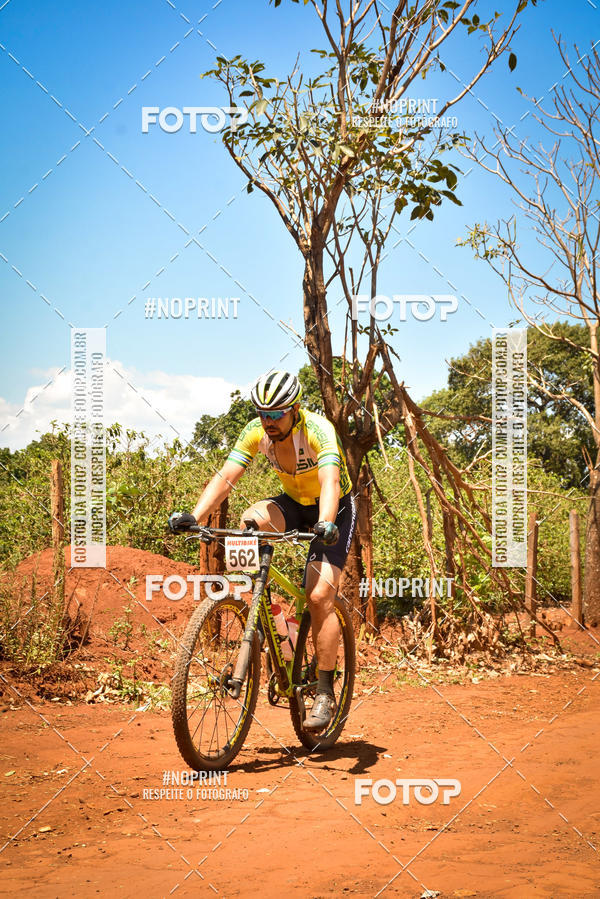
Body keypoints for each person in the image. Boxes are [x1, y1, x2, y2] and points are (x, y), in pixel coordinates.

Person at [169, 369, 356, 732]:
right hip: (293, 503)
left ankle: (324, 690)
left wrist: (327, 521)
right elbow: (226, 476)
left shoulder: (317, 430)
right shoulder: (256, 431)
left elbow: (331, 480)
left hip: (333, 509)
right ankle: (268, 614)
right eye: (263, 414)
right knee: (250, 522)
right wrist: (195, 514)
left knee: (319, 597)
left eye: (276, 414)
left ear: (295, 409)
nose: (268, 421)